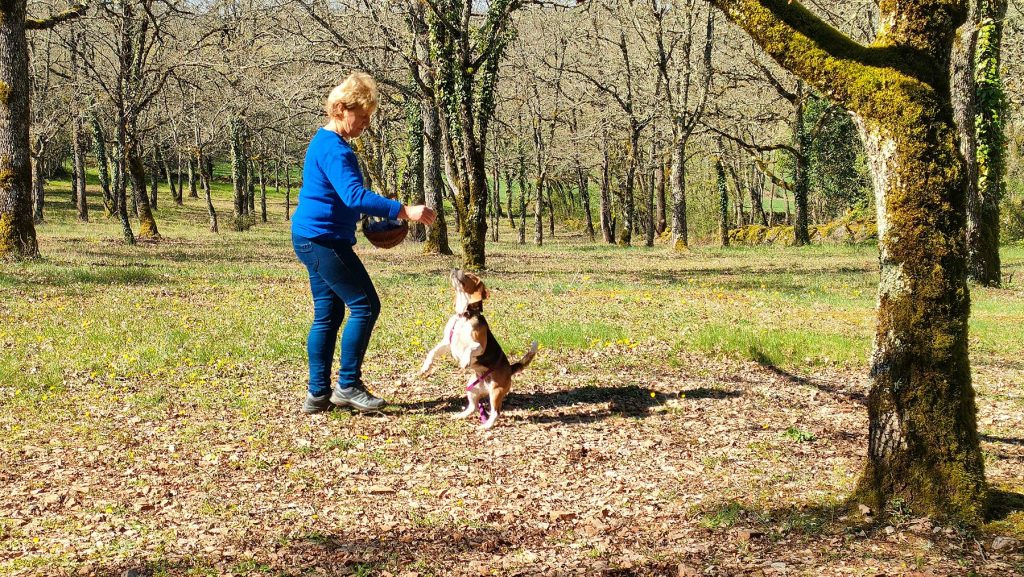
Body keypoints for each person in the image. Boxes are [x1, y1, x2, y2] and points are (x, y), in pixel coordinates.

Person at [292, 72, 436, 414]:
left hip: (312, 236)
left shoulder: (325, 142)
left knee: (328, 313)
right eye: (363, 115)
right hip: (322, 240)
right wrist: (403, 211)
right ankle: (347, 386)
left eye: (370, 116)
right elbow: (354, 196)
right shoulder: (335, 150)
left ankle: (317, 395)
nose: (366, 123)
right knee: (365, 305)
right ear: (341, 109)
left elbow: (341, 198)